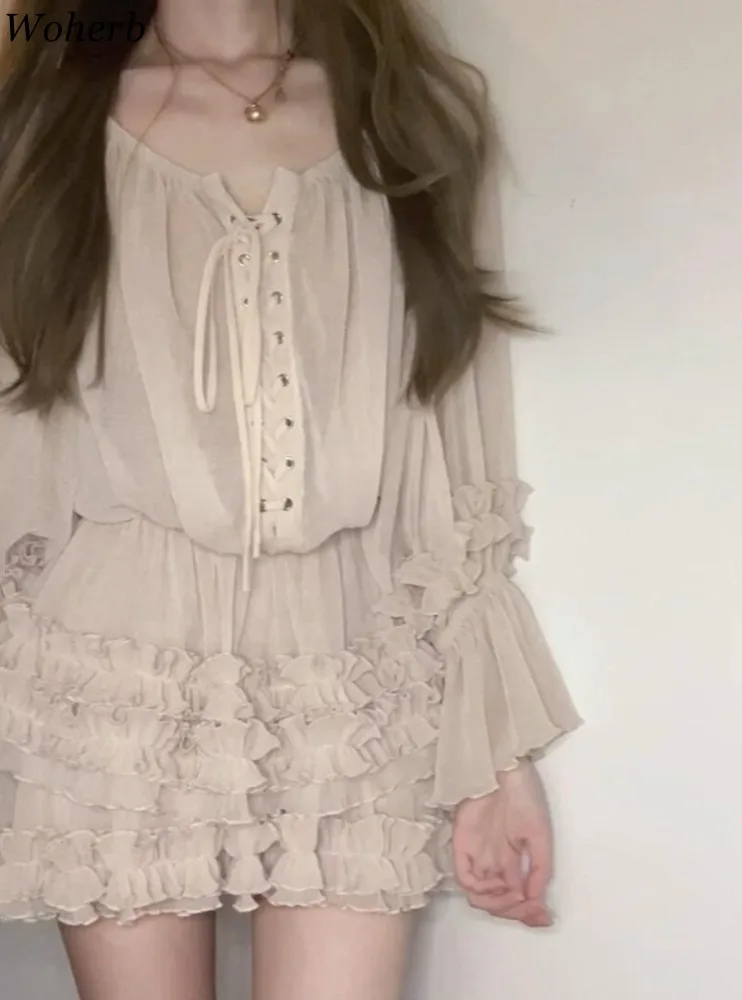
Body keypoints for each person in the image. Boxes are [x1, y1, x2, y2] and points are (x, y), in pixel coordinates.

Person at [0, 0, 582, 997]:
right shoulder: (42, 128)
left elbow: (456, 442)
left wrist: (493, 758)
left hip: (349, 665)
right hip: (115, 664)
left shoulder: (414, 118)